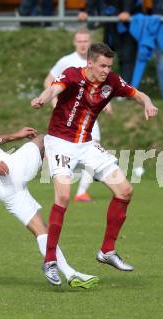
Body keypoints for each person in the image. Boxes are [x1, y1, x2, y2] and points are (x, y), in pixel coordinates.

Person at [31, 43, 158, 286]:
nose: (106, 70)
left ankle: (107, 251)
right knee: (64, 196)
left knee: (125, 190)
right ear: (89, 63)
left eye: (109, 66)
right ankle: (49, 261)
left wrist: (148, 104)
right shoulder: (71, 74)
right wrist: (42, 98)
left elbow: (138, 93)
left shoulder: (111, 81)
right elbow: (53, 89)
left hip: (87, 144)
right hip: (59, 142)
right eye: (102, 65)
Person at [0, 83, 99, 288]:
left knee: (41, 229)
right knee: (46, 139)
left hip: (4, 187)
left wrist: (15, 136)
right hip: (8, 171)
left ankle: (69, 272)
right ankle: (89, 165)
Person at [44, 28, 112, 202]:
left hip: (89, 115)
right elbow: (48, 81)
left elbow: (101, 85)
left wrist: (106, 102)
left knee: (93, 147)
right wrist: (54, 102)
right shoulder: (66, 61)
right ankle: (65, 185)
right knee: (70, 153)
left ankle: (81, 191)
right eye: (79, 41)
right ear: (75, 42)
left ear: (90, 43)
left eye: (85, 41)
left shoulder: (99, 62)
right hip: (68, 116)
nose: (82, 44)